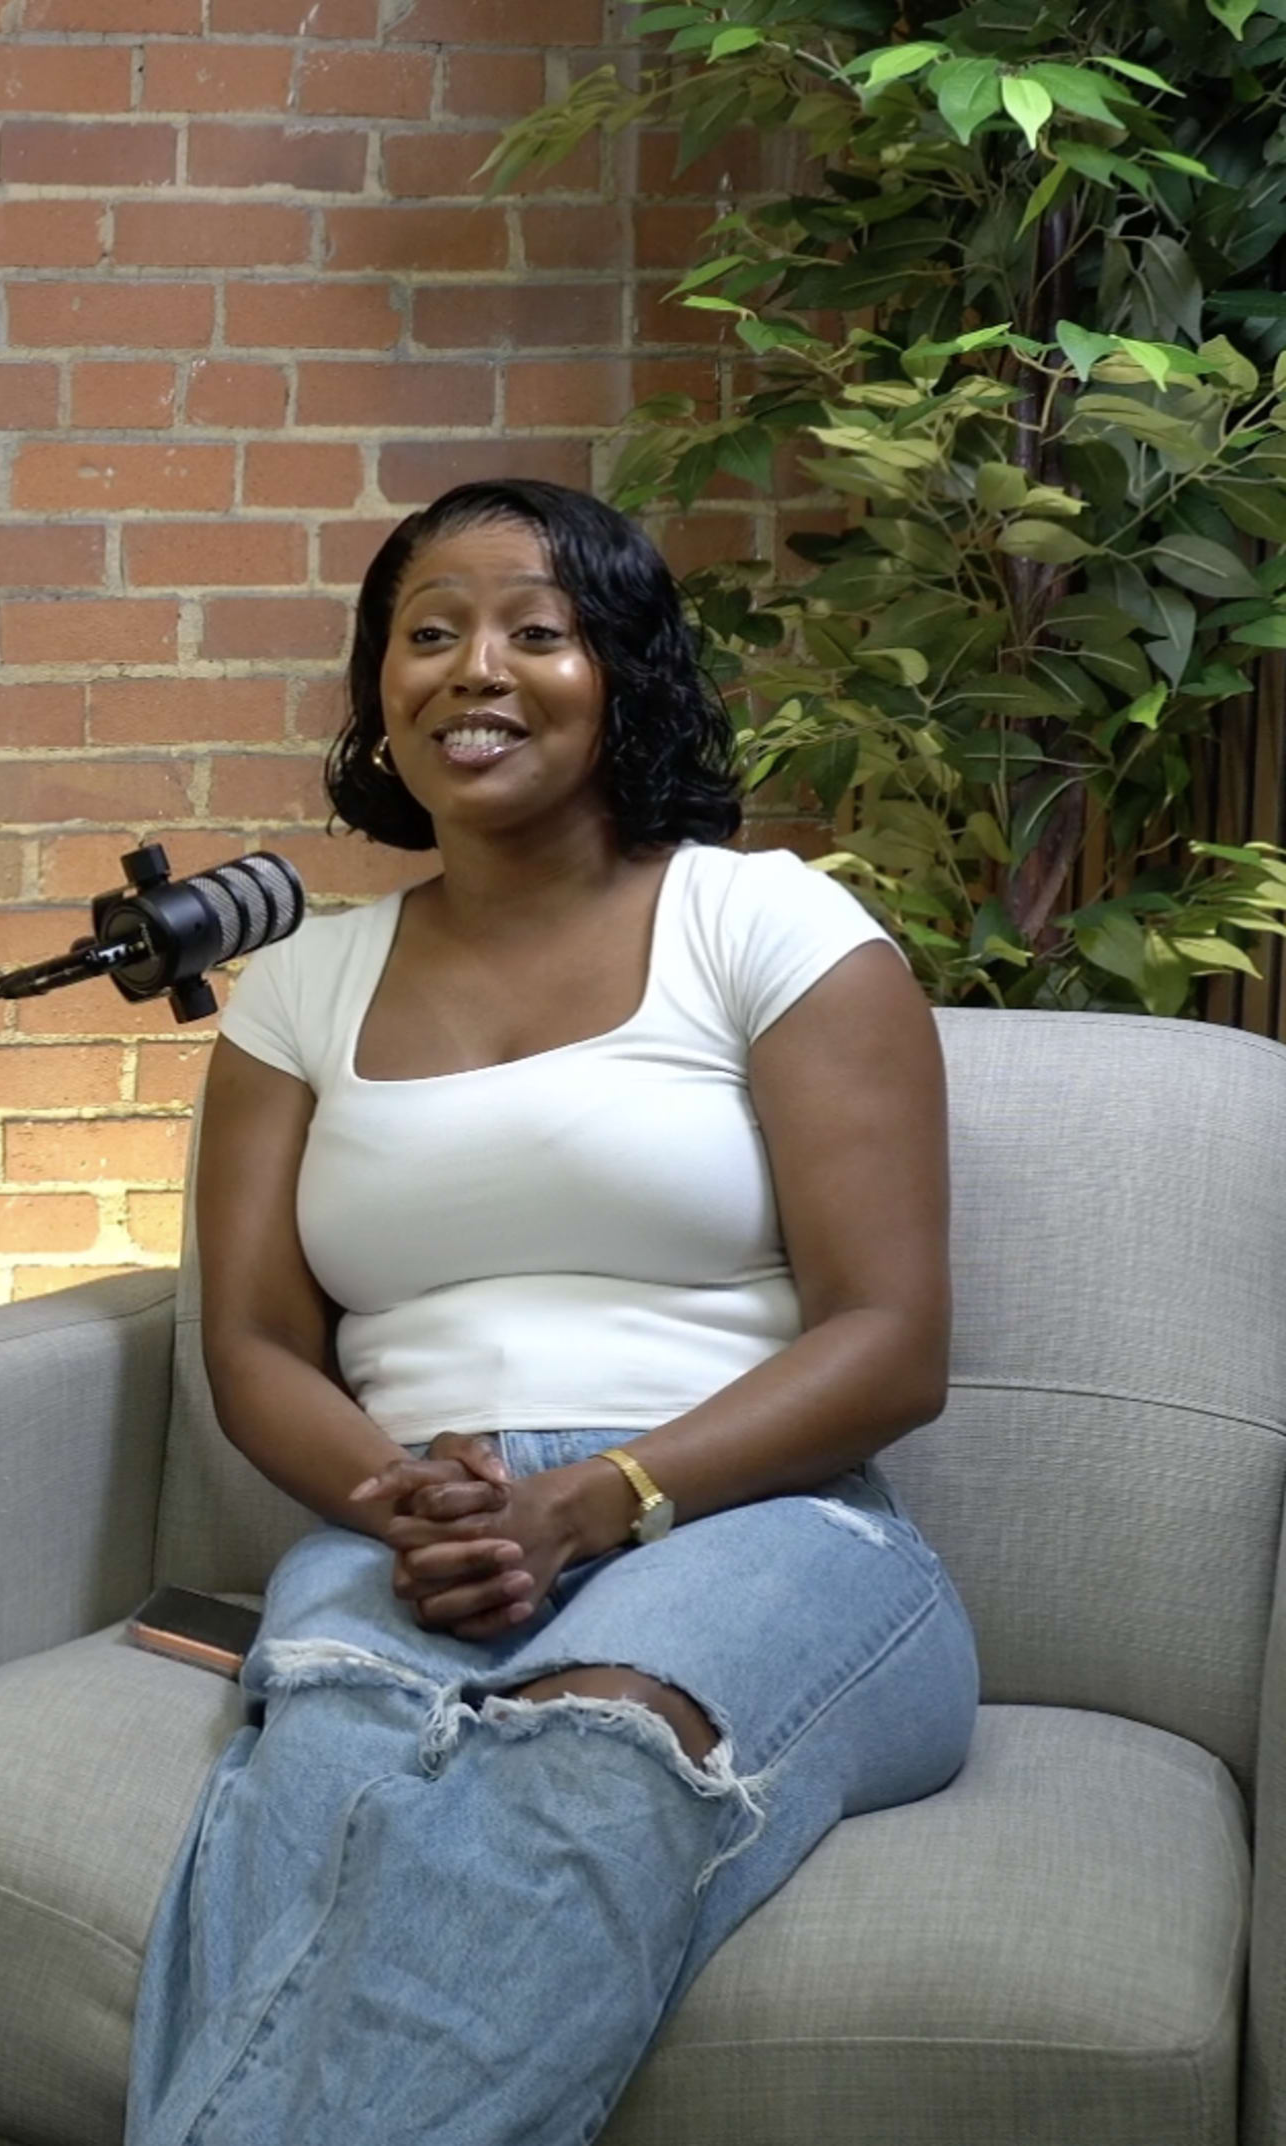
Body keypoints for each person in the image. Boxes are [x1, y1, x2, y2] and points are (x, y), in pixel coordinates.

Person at [132, 478, 978, 2144]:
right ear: (380, 690)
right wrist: (398, 1495)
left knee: (591, 1746)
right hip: (421, 1516)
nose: (474, 670)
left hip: (762, 1514)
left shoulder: (770, 923)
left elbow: (893, 1333)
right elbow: (251, 1344)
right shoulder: (303, 987)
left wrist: (598, 1497)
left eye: (536, 629)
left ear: (627, 673)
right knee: (321, 1770)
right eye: (427, 633)